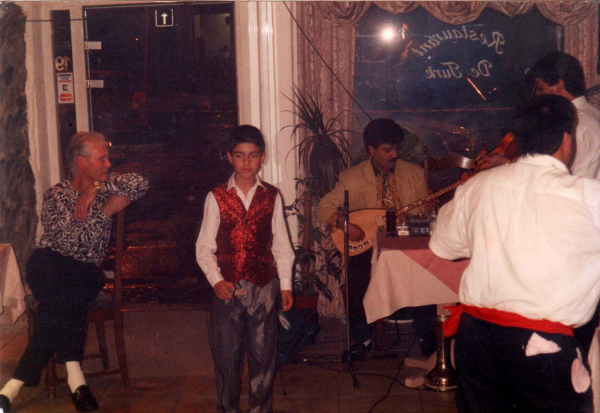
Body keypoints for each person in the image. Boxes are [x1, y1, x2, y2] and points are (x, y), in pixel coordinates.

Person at [430, 95, 600, 412]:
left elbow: (444, 244)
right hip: (543, 348)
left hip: (477, 341)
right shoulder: (590, 197)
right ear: (567, 138)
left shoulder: (479, 186)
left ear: (518, 139)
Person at [0, 132, 149, 413]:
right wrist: (104, 212)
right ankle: (76, 380)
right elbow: (67, 241)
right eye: (101, 158)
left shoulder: (105, 187)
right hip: (49, 266)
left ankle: (15, 385)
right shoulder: (56, 195)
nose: (108, 162)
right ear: (81, 162)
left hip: (83, 272)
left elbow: (142, 182)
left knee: (63, 299)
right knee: (69, 296)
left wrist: (95, 188)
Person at [478, 51, 600, 355]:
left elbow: (561, 182)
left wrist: (507, 169)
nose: (540, 98)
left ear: (559, 85)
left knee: (568, 338)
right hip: (577, 231)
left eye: (543, 90)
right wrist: (508, 162)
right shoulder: (587, 118)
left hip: (574, 234)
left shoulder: (581, 125)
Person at [196, 125, 294, 413]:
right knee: (227, 354)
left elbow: (282, 246)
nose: (246, 162)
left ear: (262, 157)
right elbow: (204, 247)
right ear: (229, 157)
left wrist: (285, 284)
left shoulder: (272, 196)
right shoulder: (216, 197)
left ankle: (260, 409)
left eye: (253, 155)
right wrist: (215, 280)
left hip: (263, 284)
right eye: (240, 156)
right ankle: (227, 408)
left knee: (264, 354)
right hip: (227, 286)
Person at [317, 118, 433, 357]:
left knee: (429, 270)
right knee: (356, 274)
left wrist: (426, 216)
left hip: (405, 243)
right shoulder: (351, 177)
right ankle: (362, 338)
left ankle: (427, 337)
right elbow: (325, 206)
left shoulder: (414, 174)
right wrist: (345, 223)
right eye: (387, 150)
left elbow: (421, 218)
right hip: (369, 245)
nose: (394, 154)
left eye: (396, 149)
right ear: (371, 150)